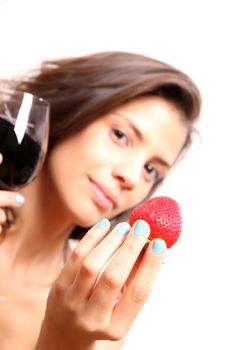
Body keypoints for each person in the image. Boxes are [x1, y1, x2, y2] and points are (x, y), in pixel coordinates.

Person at [0, 51, 201, 350]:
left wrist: (65, 341)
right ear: (72, 111)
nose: (131, 177)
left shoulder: (94, 319)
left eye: (151, 170)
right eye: (120, 135)